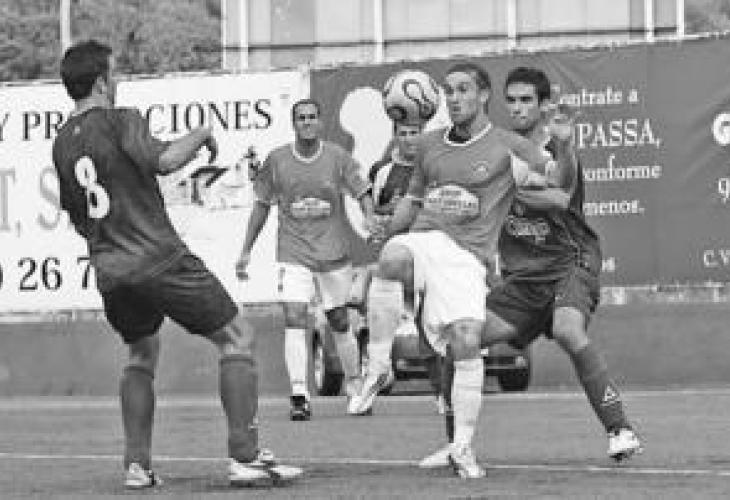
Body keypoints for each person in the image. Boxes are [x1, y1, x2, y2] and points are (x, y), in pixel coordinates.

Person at [51, 40, 302, 490]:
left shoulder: (62, 144)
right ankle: (245, 457)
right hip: (157, 257)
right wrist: (202, 134)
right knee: (238, 337)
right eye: (115, 73)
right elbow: (164, 160)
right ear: (102, 81)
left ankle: (137, 466)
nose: (118, 80)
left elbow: (76, 215)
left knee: (141, 352)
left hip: (111, 270)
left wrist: (110, 247)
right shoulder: (121, 119)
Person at [349, 62, 569, 478]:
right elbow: (413, 202)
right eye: (448, 90)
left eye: (463, 89)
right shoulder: (429, 144)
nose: (453, 98)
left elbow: (561, 184)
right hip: (426, 241)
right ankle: (377, 367)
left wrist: (563, 146)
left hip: (468, 258)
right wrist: (386, 228)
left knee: (466, 341)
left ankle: (462, 447)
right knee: (390, 259)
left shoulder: (508, 145)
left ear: (483, 95)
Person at [419, 66, 643, 470]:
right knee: (460, 339)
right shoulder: (496, 150)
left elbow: (562, 193)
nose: (518, 107)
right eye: (512, 100)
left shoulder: (551, 149)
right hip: (523, 280)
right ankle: (456, 445)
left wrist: (564, 148)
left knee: (568, 330)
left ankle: (620, 430)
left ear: (543, 105)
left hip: (568, 264)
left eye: (527, 100)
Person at [236, 98, 375, 421]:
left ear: (321, 122)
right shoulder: (277, 161)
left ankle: (355, 385)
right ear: (293, 123)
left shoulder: (338, 158)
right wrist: (245, 250)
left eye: (312, 116)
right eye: (301, 118)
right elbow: (261, 206)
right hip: (293, 252)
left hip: (333, 253)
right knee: (295, 316)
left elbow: (362, 192)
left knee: (339, 320)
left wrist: (369, 217)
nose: (307, 122)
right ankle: (299, 394)